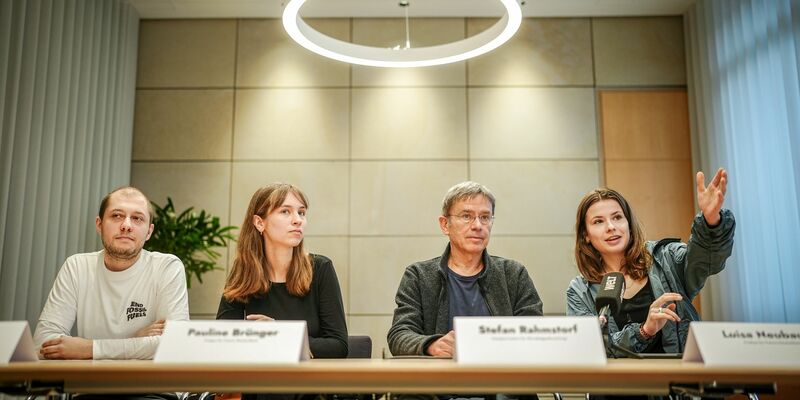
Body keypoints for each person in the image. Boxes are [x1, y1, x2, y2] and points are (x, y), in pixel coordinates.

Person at [567, 168, 735, 355]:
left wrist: (711, 222)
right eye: (598, 221)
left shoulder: (666, 258)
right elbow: (588, 348)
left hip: (680, 376)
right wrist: (644, 331)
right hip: (618, 383)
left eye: (617, 217)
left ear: (629, 223)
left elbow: (707, 260)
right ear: (586, 235)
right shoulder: (579, 291)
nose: (611, 227)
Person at [388, 181, 543, 357]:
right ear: (445, 224)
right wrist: (431, 345)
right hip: (439, 380)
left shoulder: (513, 274)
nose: (478, 225)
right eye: (466, 216)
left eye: (485, 217)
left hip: (500, 378)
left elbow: (535, 332)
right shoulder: (418, 276)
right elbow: (399, 335)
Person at [34, 186, 190, 361]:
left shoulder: (166, 267)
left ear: (149, 232)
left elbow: (173, 344)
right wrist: (133, 341)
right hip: (93, 385)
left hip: (152, 386)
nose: (126, 226)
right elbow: (43, 342)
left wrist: (89, 349)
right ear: (99, 225)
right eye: (117, 216)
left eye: (137, 218)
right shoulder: (77, 266)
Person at [216, 183, 348, 362]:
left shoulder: (320, 268)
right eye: (285, 211)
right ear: (259, 222)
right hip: (257, 382)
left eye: (301, 212)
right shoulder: (244, 271)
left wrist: (280, 335)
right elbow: (222, 343)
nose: (297, 220)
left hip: (308, 385)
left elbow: (339, 346)